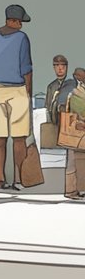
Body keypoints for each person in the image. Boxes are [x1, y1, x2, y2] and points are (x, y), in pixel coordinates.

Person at [0, 4, 34, 190]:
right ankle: (18, 179)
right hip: (17, 90)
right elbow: (26, 68)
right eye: (20, 21)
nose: (21, 25)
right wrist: (28, 93)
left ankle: (0, 178)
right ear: (16, 21)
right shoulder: (22, 38)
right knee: (19, 138)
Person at [62, 68, 85, 200]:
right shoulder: (78, 94)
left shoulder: (73, 93)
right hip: (78, 131)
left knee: (72, 162)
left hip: (72, 132)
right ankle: (75, 190)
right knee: (77, 162)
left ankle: (71, 190)